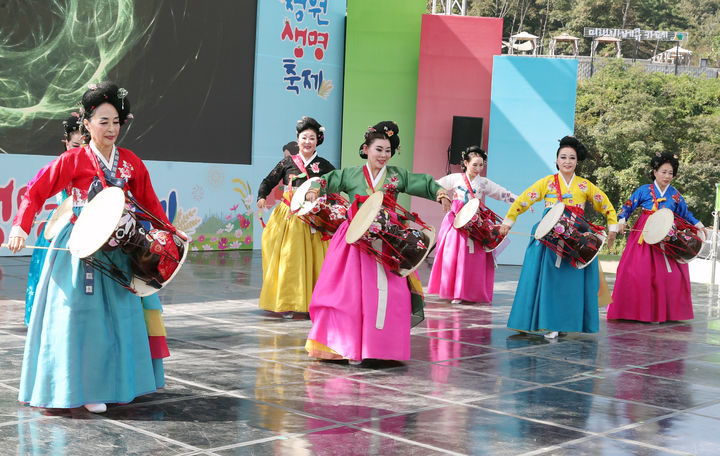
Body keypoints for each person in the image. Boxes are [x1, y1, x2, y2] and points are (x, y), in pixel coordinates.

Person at [7, 82, 172, 413]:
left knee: (124, 316)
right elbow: (36, 191)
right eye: (103, 121)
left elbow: (150, 204)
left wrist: (167, 234)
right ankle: (84, 389)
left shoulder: (130, 162)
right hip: (82, 248)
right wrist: (20, 226)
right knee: (81, 317)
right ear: (87, 123)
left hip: (122, 247)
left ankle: (121, 383)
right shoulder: (73, 160)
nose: (111, 129)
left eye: (116, 122)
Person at [304, 121, 452, 363]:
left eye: (388, 151)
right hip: (354, 241)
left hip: (388, 240)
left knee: (391, 295)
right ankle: (346, 346)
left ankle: (382, 348)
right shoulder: (351, 174)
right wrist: (314, 189)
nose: (383, 155)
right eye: (378, 149)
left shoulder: (397, 176)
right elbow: (327, 180)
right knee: (347, 294)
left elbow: (422, 182)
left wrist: (439, 192)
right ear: (366, 149)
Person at [498, 136, 618, 339]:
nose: (567, 161)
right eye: (563, 157)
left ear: (577, 161)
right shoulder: (546, 183)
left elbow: (605, 203)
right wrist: (508, 222)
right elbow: (524, 200)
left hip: (576, 239)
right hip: (548, 238)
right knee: (547, 281)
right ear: (556, 160)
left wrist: (612, 225)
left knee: (571, 283)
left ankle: (563, 323)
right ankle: (548, 323)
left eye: (572, 157)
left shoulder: (585, 186)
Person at [607, 152, 705, 322]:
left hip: (667, 236)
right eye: (663, 172)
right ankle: (634, 311)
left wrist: (698, 224)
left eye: (670, 173)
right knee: (637, 272)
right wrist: (622, 220)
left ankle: (666, 312)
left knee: (670, 275)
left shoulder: (675, 195)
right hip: (644, 235)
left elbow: (685, 214)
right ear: (654, 172)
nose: (667, 176)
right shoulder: (643, 190)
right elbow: (628, 206)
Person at [256, 117, 335, 318]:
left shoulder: (324, 165)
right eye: (304, 137)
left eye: (312, 138)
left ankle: (313, 303)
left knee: (316, 262)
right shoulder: (287, 162)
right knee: (289, 260)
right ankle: (288, 302)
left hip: (313, 218)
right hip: (289, 218)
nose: (307, 142)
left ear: (318, 141)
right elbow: (268, 180)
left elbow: (336, 185)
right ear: (297, 139)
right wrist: (262, 196)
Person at [428, 146, 517, 304]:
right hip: (456, 220)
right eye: (474, 164)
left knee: (475, 256)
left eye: (481, 165)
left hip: (475, 222)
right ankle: (454, 291)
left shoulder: (483, 182)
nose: (478, 169)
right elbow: (435, 185)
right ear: (465, 163)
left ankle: (469, 291)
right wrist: (443, 196)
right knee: (453, 254)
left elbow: (502, 193)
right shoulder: (455, 178)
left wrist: (520, 202)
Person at [24, 114, 82, 325]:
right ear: (66, 143)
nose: (79, 150)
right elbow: (35, 191)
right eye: (75, 145)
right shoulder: (62, 165)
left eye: (85, 146)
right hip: (61, 227)